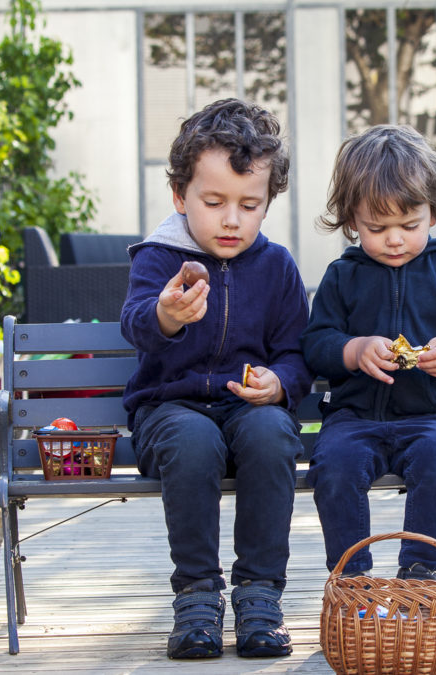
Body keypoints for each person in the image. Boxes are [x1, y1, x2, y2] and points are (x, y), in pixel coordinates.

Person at [121, 98, 311, 660]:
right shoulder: (159, 259)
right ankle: (198, 597)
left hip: (247, 411)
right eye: (214, 202)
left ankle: (259, 595)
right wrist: (165, 317)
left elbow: (297, 353)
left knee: (274, 433)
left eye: (250, 205)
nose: (232, 219)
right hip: (169, 412)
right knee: (192, 439)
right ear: (180, 197)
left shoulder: (276, 267)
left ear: (267, 202)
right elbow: (135, 325)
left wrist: (278, 384)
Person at [300, 124, 436, 581]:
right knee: (334, 468)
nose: (395, 239)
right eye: (378, 227)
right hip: (354, 419)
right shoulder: (342, 275)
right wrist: (354, 350)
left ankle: (420, 574)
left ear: (433, 213)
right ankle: (352, 578)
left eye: (409, 225)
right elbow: (317, 343)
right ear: (352, 220)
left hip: (431, 416)